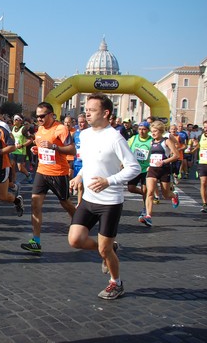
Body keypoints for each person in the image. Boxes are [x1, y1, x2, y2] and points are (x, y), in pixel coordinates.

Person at [68, 93, 140, 300]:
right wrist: (79, 176)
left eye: (91, 110)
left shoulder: (115, 137)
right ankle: (109, 249)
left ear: (106, 112)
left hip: (110, 202)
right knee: (75, 240)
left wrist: (109, 181)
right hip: (89, 199)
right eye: (86, 109)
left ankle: (116, 283)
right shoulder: (85, 135)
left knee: (104, 249)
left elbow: (133, 168)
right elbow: (90, 162)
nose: (86, 113)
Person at [21, 102, 76, 254]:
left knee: (65, 203)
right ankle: (36, 241)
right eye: (37, 116)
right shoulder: (39, 129)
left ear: (51, 114)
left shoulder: (60, 129)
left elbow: (72, 149)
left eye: (42, 116)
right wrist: (36, 149)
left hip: (58, 173)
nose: (39, 119)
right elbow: (42, 147)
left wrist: (54, 147)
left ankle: (80, 223)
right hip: (41, 171)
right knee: (35, 205)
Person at [141, 121, 180, 227]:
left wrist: (163, 162)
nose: (153, 133)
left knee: (166, 194)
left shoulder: (166, 141)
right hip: (152, 170)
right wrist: (149, 164)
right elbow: (150, 155)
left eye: (155, 131)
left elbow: (176, 155)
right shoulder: (151, 142)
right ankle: (148, 216)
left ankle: (174, 195)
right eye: (152, 131)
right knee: (150, 193)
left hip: (164, 170)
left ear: (161, 131)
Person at [127, 121, 152, 217]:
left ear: (148, 130)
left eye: (144, 129)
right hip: (135, 168)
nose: (141, 131)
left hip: (147, 169)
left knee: (145, 189)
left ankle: (145, 209)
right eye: (140, 129)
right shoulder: (133, 138)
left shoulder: (151, 140)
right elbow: (127, 149)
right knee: (131, 188)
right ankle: (148, 195)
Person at [197, 120, 207, 212]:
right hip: (203, 163)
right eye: (205, 127)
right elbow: (196, 147)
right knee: (203, 183)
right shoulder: (200, 136)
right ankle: (205, 203)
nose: (206, 129)